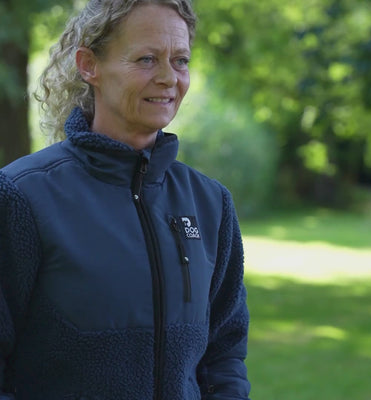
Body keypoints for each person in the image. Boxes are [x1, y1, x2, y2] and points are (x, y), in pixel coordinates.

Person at [0, 0, 251, 398]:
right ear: (89, 65)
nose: (168, 78)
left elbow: (225, 353)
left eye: (181, 61)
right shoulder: (21, 196)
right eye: (147, 59)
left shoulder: (210, 203)